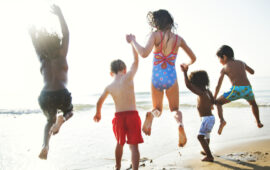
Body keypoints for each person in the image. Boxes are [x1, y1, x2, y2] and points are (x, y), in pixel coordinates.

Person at [128, 9, 196, 147]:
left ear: (156, 23)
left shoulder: (155, 36)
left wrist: (133, 41)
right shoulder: (179, 39)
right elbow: (193, 58)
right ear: (170, 22)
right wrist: (186, 64)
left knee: (157, 108)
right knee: (175, 109)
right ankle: (180, 124)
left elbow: (143, 53)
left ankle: (152, 115)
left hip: (156, 77)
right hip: (171, 77)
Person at [29, 5, 73, 159]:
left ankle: (45, 145)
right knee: (69, 112)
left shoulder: (42, 57)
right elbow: (66, 33)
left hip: (45, 96)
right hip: (61, 93)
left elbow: (32, 36)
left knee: (49, 121)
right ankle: (63, 118)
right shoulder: (62, 53)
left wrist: (32, 28)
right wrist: (60, 15)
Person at [93, 35, 143, 170]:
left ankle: (118, 166)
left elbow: (99, 101)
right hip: (132, 115)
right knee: (133, 147)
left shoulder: (109, 86)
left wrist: (98, 113)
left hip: (119, 117)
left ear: (111, 73)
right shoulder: (128, 77)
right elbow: (136, 61)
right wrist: (132, 43)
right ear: (125, 69)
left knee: (119, 143)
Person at [214, 45, 263, 135]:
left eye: (219, 58)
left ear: (224, 56)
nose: (219, 61)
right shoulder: (242, 62)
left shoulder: (224, 68)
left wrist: (214, 97)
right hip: (248, 89)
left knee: (218, 102)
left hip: (236, 90)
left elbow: (218, 85)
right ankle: (258, 121)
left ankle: (222, 121)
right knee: (253, 104)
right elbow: (252, 72)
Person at [181, 65, 215, 162]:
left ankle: (209, 156)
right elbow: (213, 101)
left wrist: (184, 72)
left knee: (200, 137)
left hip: (206, 118)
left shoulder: (201, 93)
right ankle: (206, 150)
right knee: (206, 136)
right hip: (211, 118)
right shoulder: (208, 91)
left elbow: (188, 85)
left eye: (193, 84)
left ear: (196, 84)